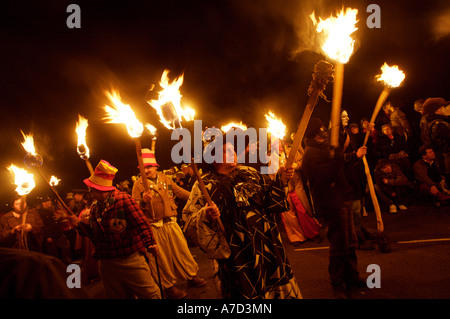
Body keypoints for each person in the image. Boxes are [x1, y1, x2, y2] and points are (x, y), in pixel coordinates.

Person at [183, 135, 302, 299]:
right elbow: (189, 221)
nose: (233, 153)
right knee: (243, 292)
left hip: (265, 244)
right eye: (226, 151)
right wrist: (205, 215)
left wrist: (281, 179)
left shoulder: (250, 172)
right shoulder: (203, 185)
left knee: (271, 284)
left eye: (233, 149)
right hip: (236, 253)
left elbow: (272, 203)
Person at [73, 159, 161, 299]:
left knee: (150, 295)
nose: (89, 190)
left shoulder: (124, 199)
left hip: (130, 260)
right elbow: (96, 235)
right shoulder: (95, 207)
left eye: (91, 187)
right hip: (107, 263)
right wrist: (80, 226)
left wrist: (150, 243)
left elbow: (141, 223)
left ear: (99, 188)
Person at [301, 117, 366, 299]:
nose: (325, 131)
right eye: (321, 128)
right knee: (339, 245)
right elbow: (321, 179)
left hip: (342, 198)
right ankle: (337, 283)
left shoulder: (327, 148)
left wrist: (343, 159)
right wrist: (335, 161)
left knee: (350, 242)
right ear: (315, 133)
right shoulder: (311, 153)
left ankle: (353, 277)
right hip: (330, 204)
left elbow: (340, 167)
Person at [131, 149, 206, 299]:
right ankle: (168, 287)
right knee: (161, 258)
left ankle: (191, 276)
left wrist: (199, 195)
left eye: (149, 167)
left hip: (171, 223)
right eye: (144, 168)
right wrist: (143, 202)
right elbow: (134, 208)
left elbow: (179, 193)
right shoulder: (138, 185)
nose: (147, 170)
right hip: (153, 227)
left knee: (182, 251)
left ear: (155, 166)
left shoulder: (166, 179)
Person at [420, 97, 450, 186]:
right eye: (444, 107)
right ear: (437, 110)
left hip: (444, 162)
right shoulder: (440, 125)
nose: (448, 108)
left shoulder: (430, 122)